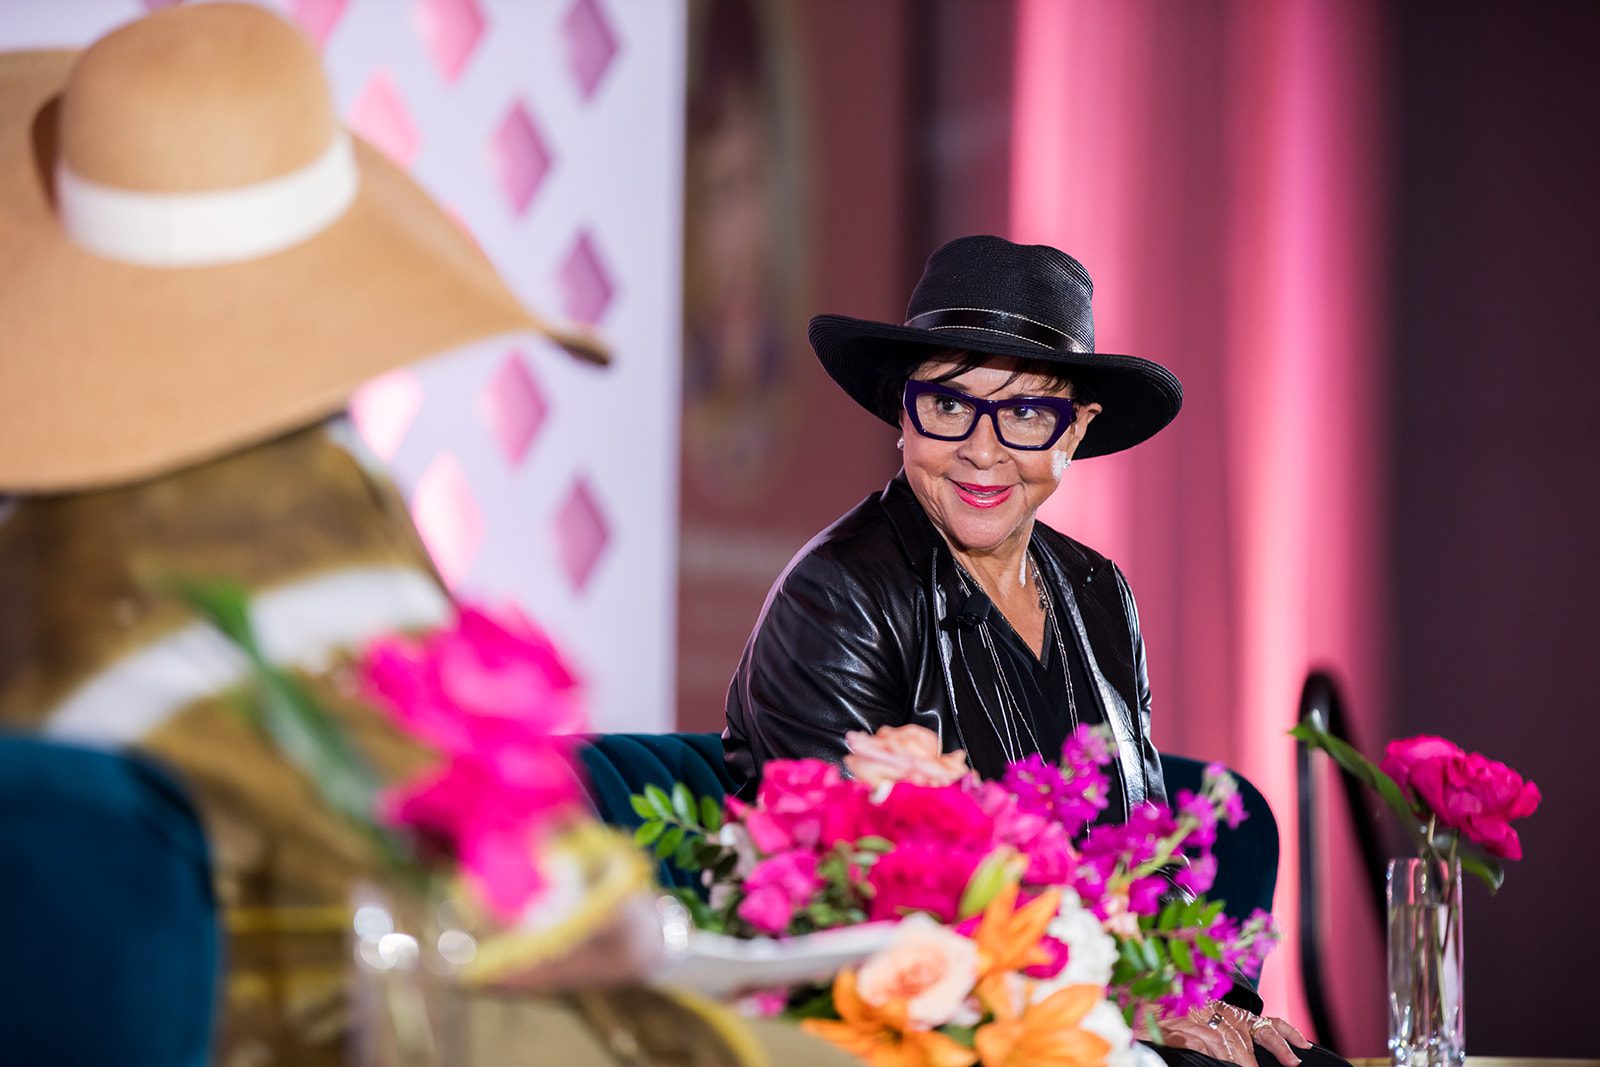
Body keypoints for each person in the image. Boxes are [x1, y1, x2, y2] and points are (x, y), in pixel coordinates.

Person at [724, 235, 1345, 1067]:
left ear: (1077, 430)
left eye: (1025, 412)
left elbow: (1146, 853)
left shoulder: (1098, 590)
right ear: (901, 412)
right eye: (947, 404)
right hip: (939, 1026)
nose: (983, 450)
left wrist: (1212, 1001)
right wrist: (1120, 1002)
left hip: (1092, 1009)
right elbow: (855, 905)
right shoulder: (835, 596)